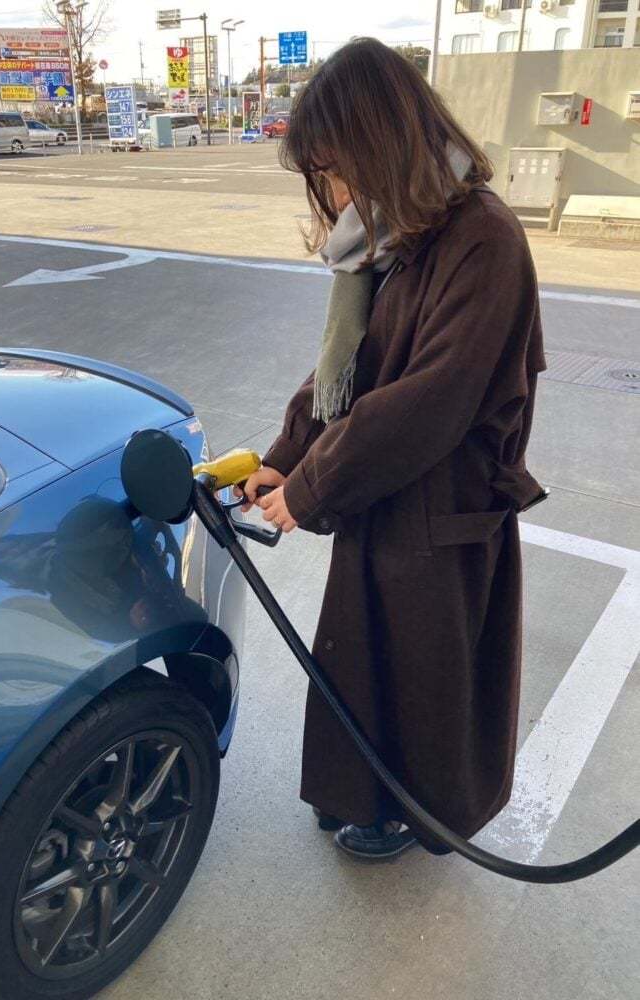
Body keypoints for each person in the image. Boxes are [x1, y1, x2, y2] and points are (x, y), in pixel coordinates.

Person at [236, 38, 546, 860]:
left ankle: (418, 812)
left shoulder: (482, 239)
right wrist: (286, 454)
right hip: (386, 495)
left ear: (383, 140)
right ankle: (359, 793)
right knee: (364, 657)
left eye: (338, 168)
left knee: (424, 676)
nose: (334, 192)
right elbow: (346, 368)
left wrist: (311, 488)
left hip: (444, 512)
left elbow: (429, 401)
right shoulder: (392, 238)